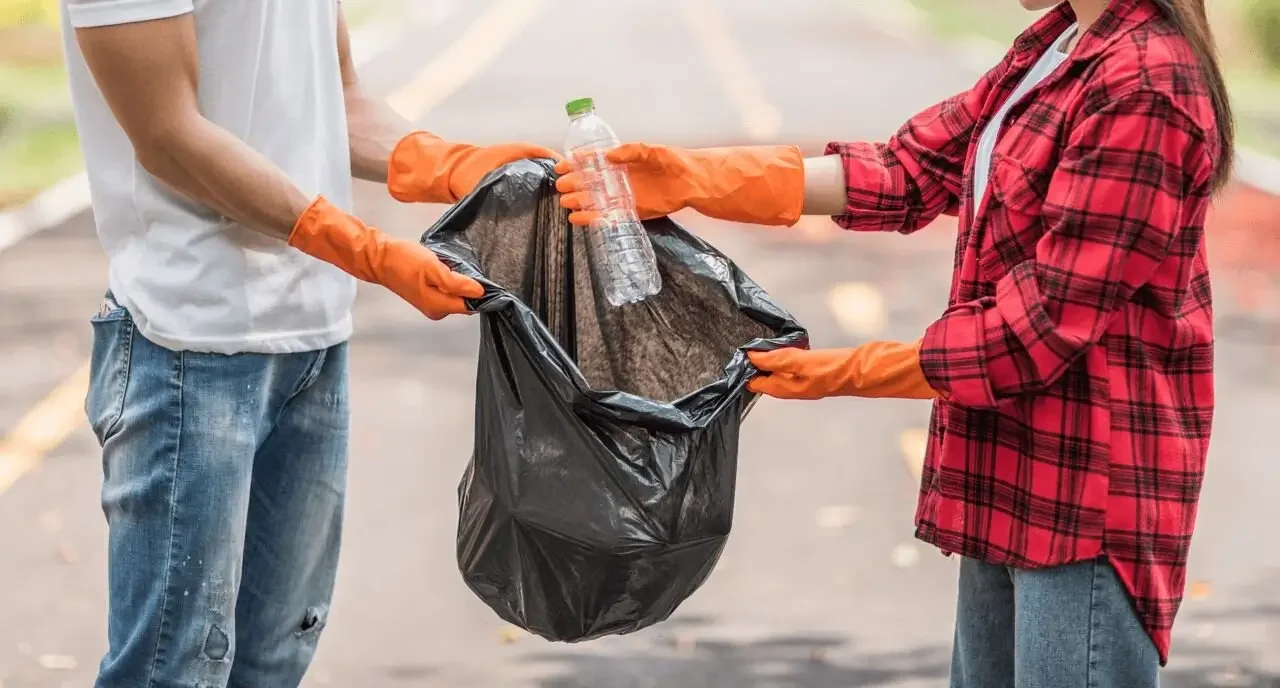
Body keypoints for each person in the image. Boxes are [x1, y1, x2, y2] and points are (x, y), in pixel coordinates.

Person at [555, 0, 1229, 684]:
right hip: (1007, 480)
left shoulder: (1145, 82)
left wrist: (846, 372)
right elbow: (909, 171)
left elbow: (1041, 329)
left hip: (1086, 502)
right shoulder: (1056, 45)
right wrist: (694, 181)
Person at [61, 0, 555, 685]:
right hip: (190, 341)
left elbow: (338, 100)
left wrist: (454, 166)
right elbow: (169, 136)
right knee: (171, 668)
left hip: (311, 338)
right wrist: (368, 252)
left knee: (273, 661)